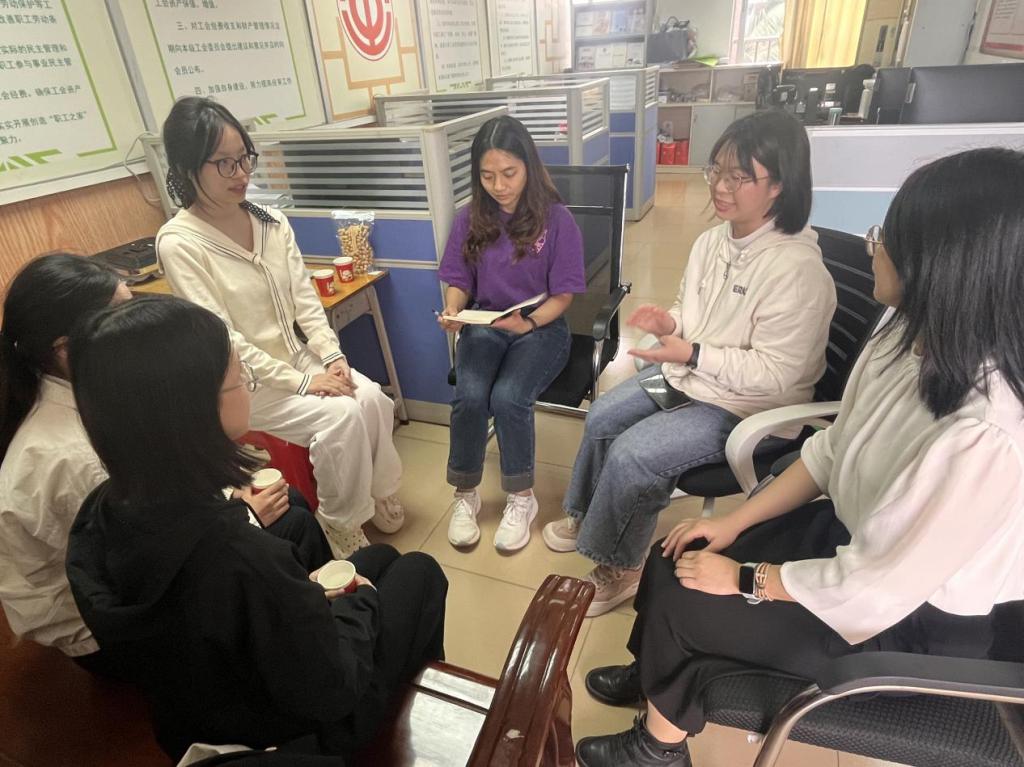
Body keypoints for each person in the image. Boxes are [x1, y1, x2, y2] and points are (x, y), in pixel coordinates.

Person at [574, 147, 1024, 767]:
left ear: (945, 264)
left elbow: (874, 588)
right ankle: (653, 677)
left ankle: (658, 747)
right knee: (678, 550)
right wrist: (733, 523)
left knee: (692, 601)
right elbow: (831, 451)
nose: (873, 247)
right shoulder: (903, 336)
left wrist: (745, 578)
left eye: (888, 238)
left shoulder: (984, 433)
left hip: (908, 621)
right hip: (855, 537)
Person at [65, 296, 447, 760]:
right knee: (419, 572)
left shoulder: (99, 510)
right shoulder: (241, 556)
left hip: (198, 708)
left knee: (380, 557)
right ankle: (413, 727)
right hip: (288, 730)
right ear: (196, 409)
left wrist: (301, 598)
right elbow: (331, 687)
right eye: (240, 379)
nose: (248, 386)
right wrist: (358, 601)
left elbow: (211, 613)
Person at [546, 110, 836, 616]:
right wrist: (671, 324)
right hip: (692, 377)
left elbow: (777, 375)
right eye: (716, 170)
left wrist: (695, 353)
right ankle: (587, 512)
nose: (720, 187)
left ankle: (621, 567)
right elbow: (690, 310)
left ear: (779, 186)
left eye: (738, 177)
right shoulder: (713, 241)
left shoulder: (797, 271)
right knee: (603, 415)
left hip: (747, 407)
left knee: (635, 455)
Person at [0, 255, 331, 679]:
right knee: (287, 530)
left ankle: (308, 619)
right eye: (123, 316)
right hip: (113, 629)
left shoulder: (84, 399)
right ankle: (308, 645)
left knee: (291, 507)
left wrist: (232, 506)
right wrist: (244, 515)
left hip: (133, 575)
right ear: (66, 349)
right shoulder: (78, 454)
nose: (143, 323)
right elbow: (150, 562)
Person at [156, 96, 404, 559]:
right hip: (245, 383)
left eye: (245, 157)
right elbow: (224, 339)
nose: (241, 174)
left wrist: (331, 356)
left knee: (373, 398)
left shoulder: (270, 221)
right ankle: (340, 521)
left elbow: (305, 299)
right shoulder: (180, 242)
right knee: (341, 417)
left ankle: (378, 490)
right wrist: (306, 383)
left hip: (298, 358)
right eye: (224, 163)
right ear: (188, 167)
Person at [437, 115, 585, 552]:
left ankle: (522, 497)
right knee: (469, 396)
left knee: (508, 397)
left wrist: (530, 322)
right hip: (487, 324)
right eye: (487, 176)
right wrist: (454, 308)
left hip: (541, 327)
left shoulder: (556, 220)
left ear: (528, 167)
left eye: (509, 173)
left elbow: (563, 296)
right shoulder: (470, 219)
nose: (499, 186)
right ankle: (465, 493)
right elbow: (458, 279)